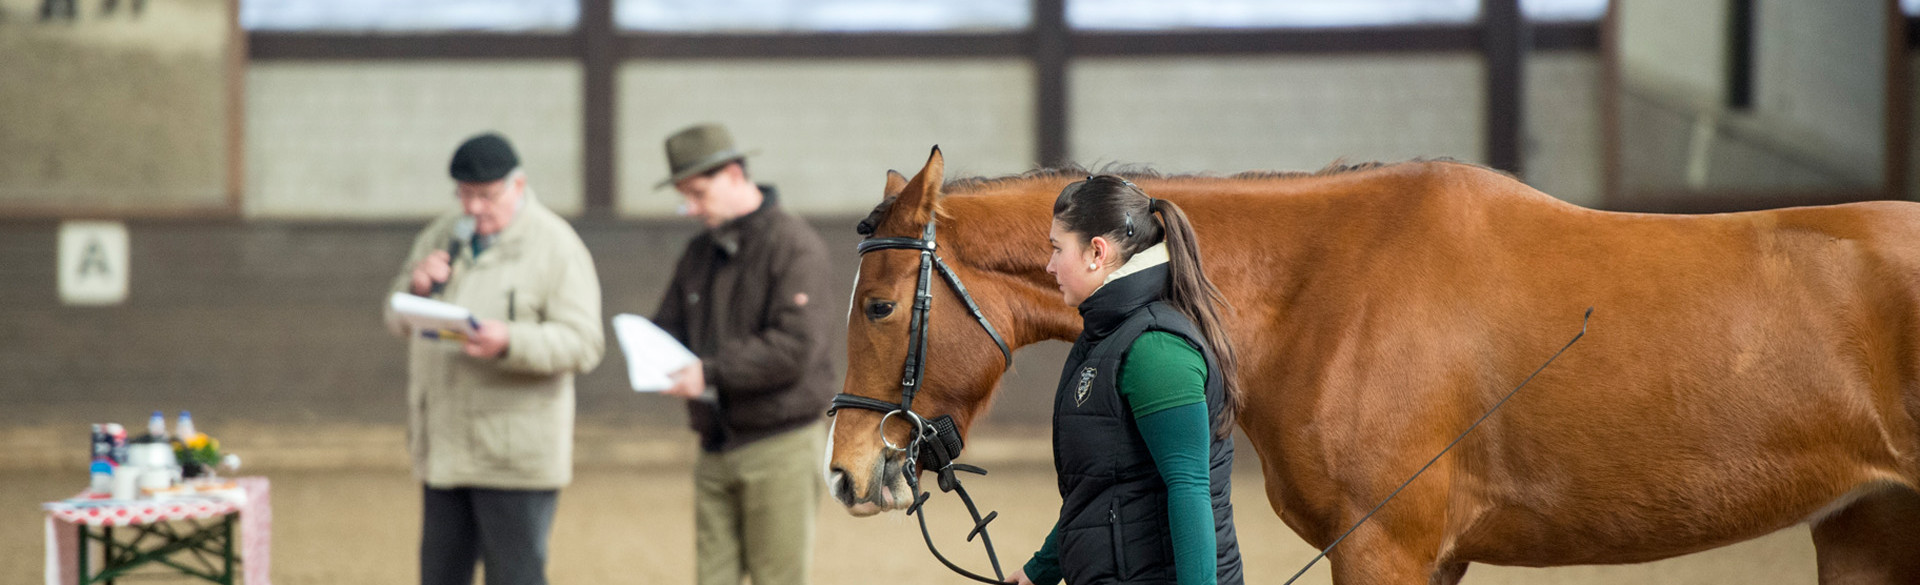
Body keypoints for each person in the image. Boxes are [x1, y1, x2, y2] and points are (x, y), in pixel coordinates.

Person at [383, 132, 605, 585]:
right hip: (444, 447)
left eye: (486, 195)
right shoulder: (442, 233)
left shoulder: (556, 246)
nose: (473, 208)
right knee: (440, 576)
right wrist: (416, 291)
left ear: (518, 186)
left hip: (514, 457)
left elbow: (584, 343)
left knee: (515, 577)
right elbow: (394, 314)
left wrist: (511, 342)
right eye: (464, 194)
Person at [1010, 175, 1246, 585]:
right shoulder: (1107, 336)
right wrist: (1040, 571)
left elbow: (1191, 490)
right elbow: (1105, 489)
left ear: (1096, 252)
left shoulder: (1156, 349)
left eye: (1056, 248)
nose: (1049, 265)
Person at [650, 123, 836, 585]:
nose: (691, 208)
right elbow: (667, 326)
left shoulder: (794, 246)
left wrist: (707, 373)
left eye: (698, 193)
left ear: (733, 174)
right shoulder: (698, 252)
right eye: (684, 197)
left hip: (781, 448)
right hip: (714, 446)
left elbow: (796, 346)